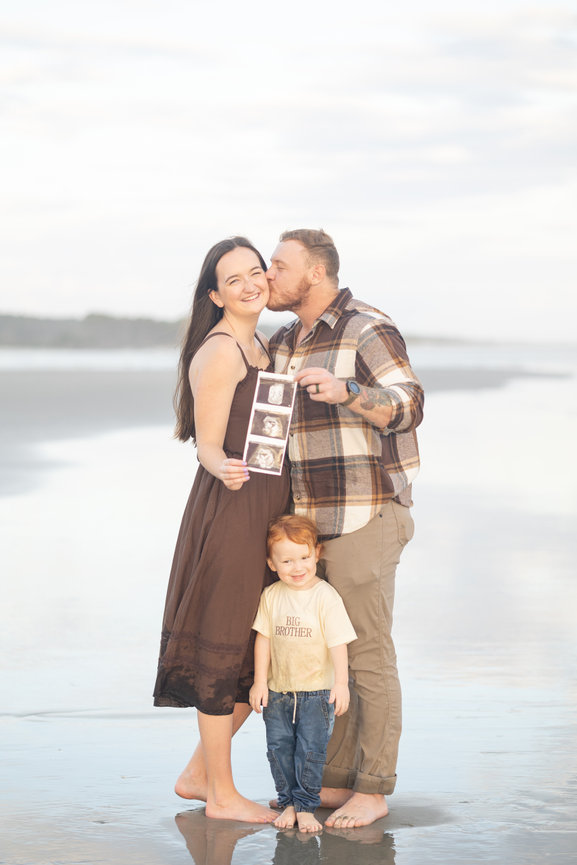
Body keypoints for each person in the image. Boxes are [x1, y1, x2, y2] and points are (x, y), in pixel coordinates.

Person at [266, 229, 424, 829]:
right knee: (324, 650)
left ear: (316, 272)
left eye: (279, 266)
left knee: (367, 656)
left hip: (366, 513)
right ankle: (333, 778)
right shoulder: (283, 340)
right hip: (308, 528)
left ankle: (374, 787)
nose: (269, 275)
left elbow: (409, 403)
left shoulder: (366, 328)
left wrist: (348, 391)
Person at [153, 236, 290, 823]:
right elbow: (207, 445)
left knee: (254, 653)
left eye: (256, 271)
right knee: (223, 645)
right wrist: (221, 465)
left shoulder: (263, 344)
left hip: (269, 509)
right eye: (234, 279)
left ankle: (197, 775)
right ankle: (223, 797)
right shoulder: (220, 351)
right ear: (215, 295)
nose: (250, 284)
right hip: (234, 509)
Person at [249, 515, 357, 833]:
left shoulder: (325, 596)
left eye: (304, 558)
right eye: (287, 561)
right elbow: (264, 639)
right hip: (278, 691)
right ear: (272, 564)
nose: (297, 567)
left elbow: (338, 642)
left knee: (310, 751)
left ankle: (306, 806)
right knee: (278, 749)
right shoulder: (272, 596)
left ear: (317, 554)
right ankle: (288, 803)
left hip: (317, 692)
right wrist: (259, 682)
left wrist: (341, 683)